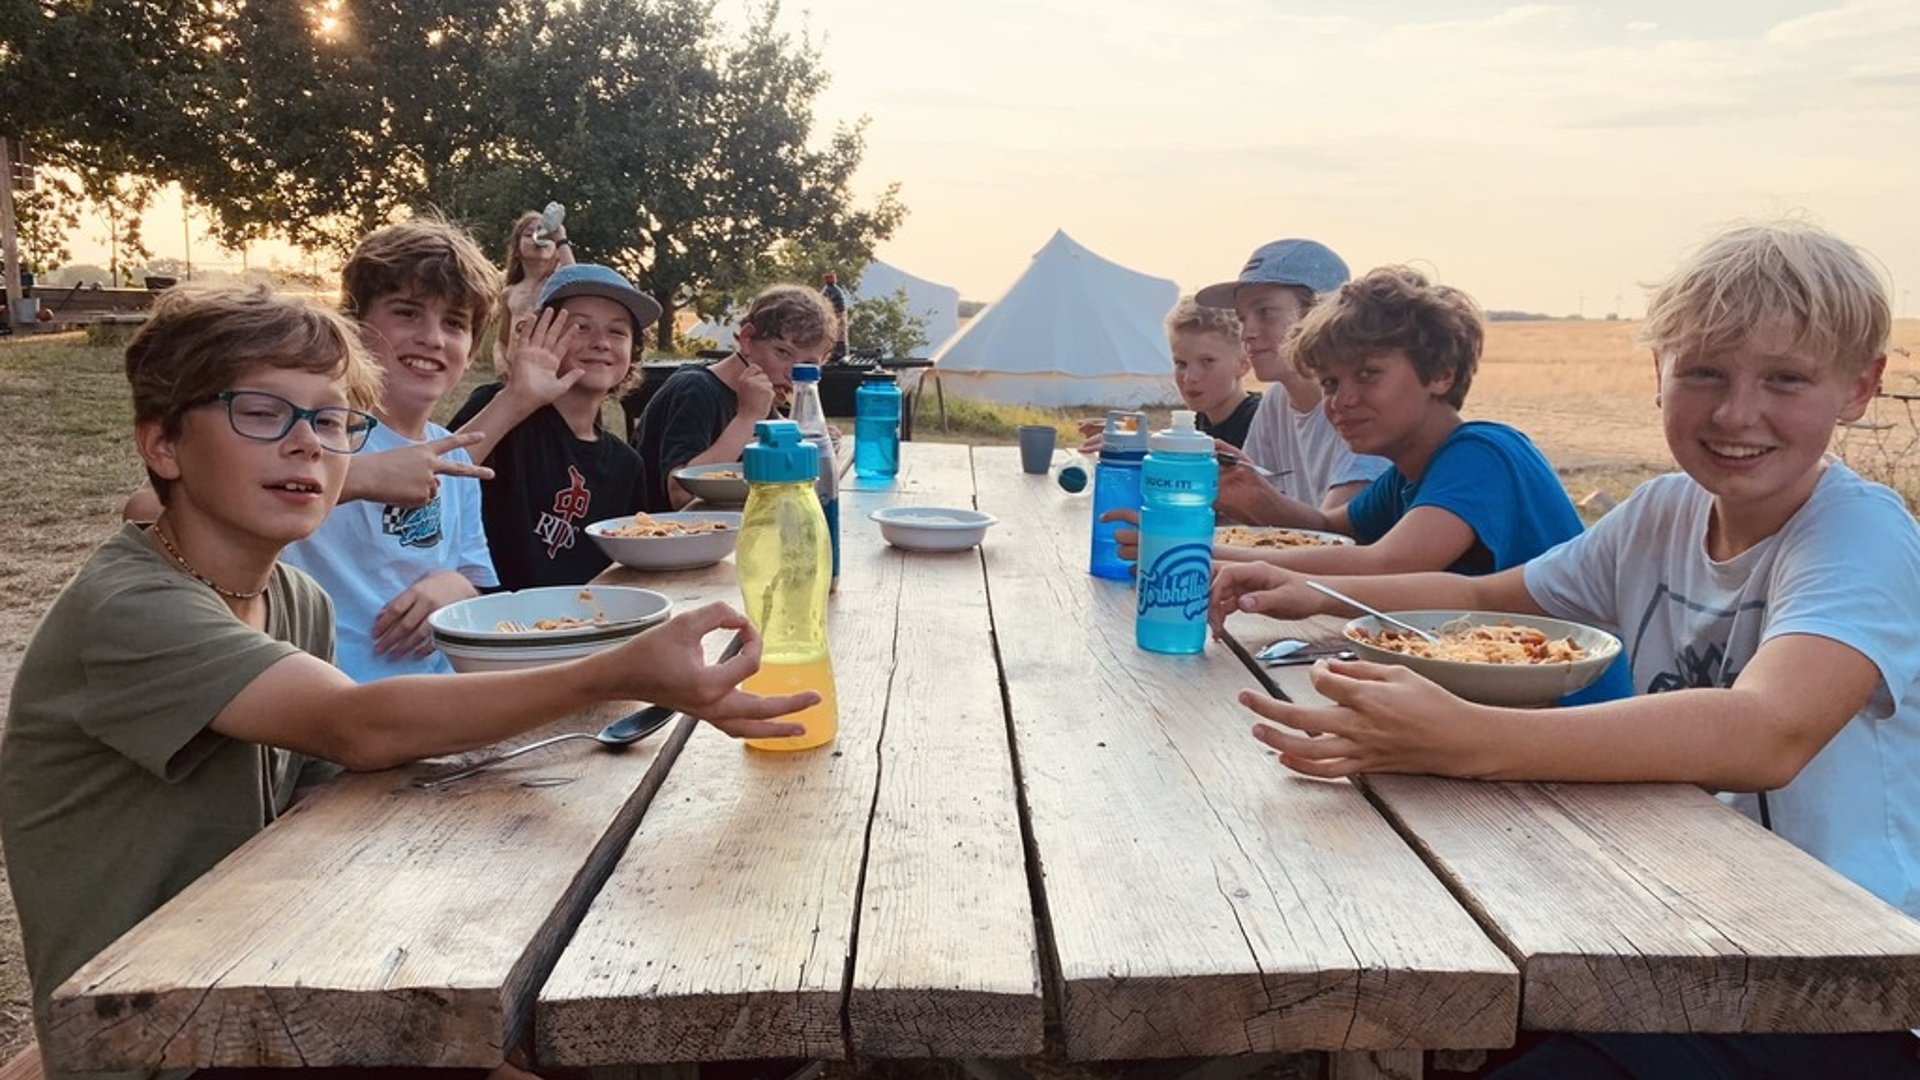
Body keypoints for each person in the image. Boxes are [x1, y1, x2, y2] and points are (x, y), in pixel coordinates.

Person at [0, 283, 813, 1080]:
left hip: (268, 969)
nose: (305, 445)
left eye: (328, 420)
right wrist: (616, 669)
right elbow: (355, 727)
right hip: (157, 1034)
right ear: (163, 444)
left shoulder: (291, 595)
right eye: (259, 412)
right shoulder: (133, 607)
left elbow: (346, 783)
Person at [1211, 223, 1918, 1078]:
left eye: (1786, 379)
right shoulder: (1662, 512)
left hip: (1834, 983)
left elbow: (1770, 731)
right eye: (1703, 373)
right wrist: (1314, 589)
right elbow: (1482, 596)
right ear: (1656, 372)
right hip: (1672, 922)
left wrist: (1468, 738)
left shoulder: (1858, 531)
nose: (1736, 412)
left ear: (1859, 388)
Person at [276, 219, 501, 683]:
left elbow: (473, 576)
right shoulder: (313, 429)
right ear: (355, 326)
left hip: (438, 692)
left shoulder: (454, 456)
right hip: (332, 698)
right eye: (407, 312)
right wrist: (359, 478)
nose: (432, 337)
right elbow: (154, 510)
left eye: (454, 324)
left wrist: (454, 586)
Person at [451, 263, 658, 590]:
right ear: (539, 335)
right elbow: (438, 481)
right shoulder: (501, 412)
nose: (601, 342)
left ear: (633, 352)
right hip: (497, 624)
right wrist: (517, 398)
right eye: (580, 327)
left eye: (617, 332)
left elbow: (631, 565)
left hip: (584, 625)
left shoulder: (626, 466)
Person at [1195, 238, 1388, 523]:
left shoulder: (1358, 404)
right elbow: (1248, 520)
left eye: (1265, 313)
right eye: (1242, 317)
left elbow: (1334, 535)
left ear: (1320, 314)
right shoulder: (1277, 400)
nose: (1247, 332)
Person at [630, 284, 834, 511]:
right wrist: (747, 418)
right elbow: (681, 496)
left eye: (807, 364)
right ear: (747, 339)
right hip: (668, 539)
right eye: (783, 352)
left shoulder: (759, 393)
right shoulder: (695, 390)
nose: (792, 373)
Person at [1078, 298, 1260, 452]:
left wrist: (1152, 443)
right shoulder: (1202, 418)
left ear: (1243, 365)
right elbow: (1182, 442)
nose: (1190, 377)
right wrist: (1127, 429)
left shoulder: (1260, 421)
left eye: (1207, 362)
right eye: (1181, 363)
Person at [493, 208, 575, 379]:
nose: (537, 238)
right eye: (528, 234)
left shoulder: (559, 286)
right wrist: (500, 361)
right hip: (514, 380)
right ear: (517, 248)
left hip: (548, 378)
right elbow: (501, 340)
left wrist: (560, 237)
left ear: (556, 250)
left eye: (546, 235)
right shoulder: (509, 293)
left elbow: (575, 278)